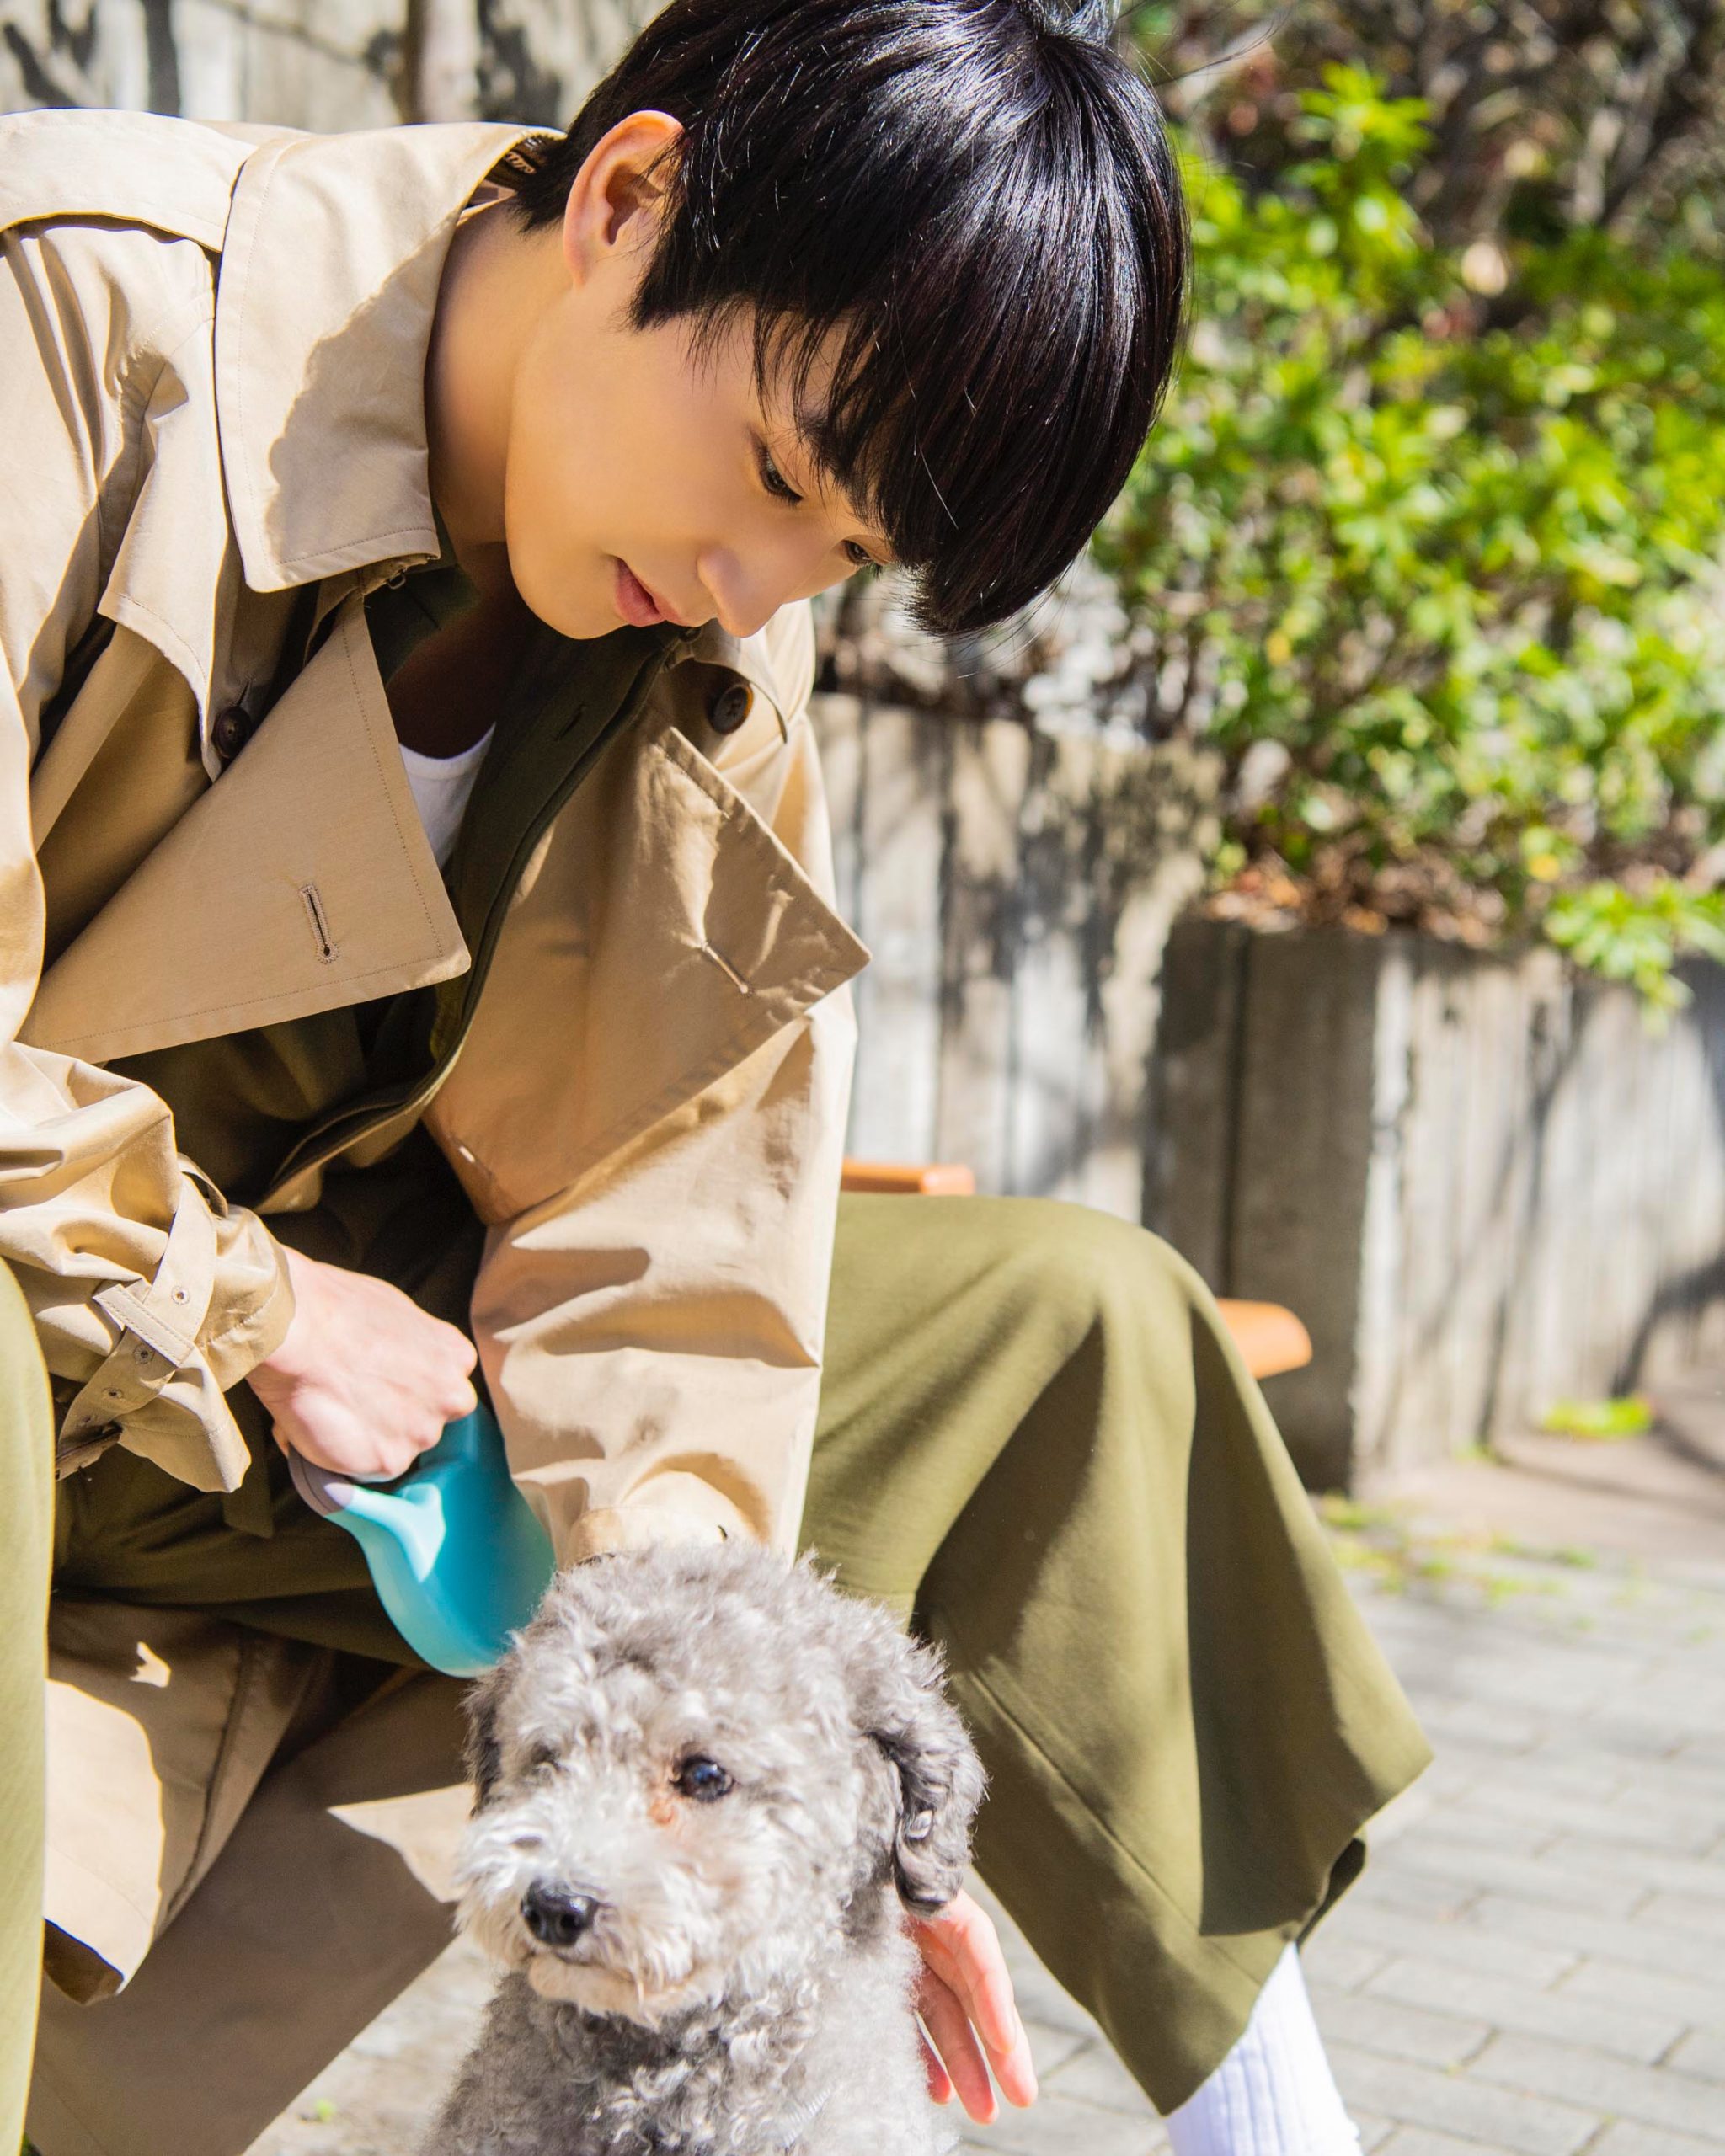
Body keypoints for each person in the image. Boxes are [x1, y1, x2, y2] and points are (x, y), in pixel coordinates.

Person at [0, 3, 1430, 2152]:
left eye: (842, 557)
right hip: (73, 1338)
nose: (766, 587)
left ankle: (1278, 2133)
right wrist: (257, 1306)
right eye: (775, 473)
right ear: (628, 196)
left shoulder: (703, 619)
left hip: (341, 1458)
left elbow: (689, 1254)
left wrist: (787, 1811)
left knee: (1064, 1321)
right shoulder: (80, 314)